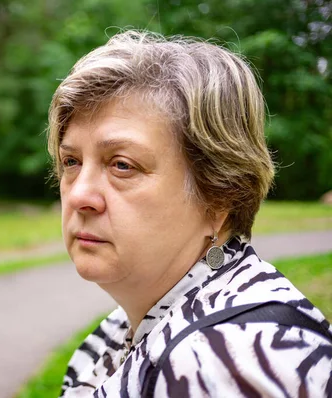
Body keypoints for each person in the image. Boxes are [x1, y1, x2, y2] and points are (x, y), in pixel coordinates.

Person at [47, 30, 332, 397]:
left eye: (122, 165)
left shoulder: (221, 361)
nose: (80, 195)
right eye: (71, 161)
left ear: (219, 195)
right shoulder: (130, 324)